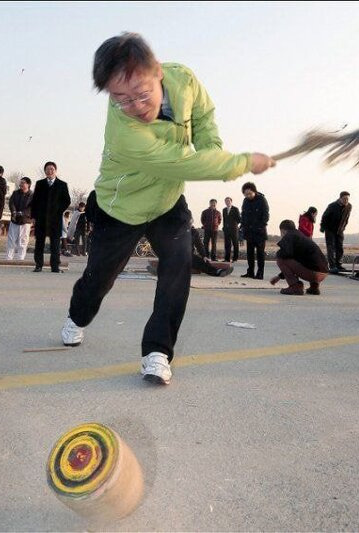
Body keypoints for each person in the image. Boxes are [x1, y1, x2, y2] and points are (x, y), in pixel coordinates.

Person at [60, 32, 276, 385]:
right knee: (99, 278)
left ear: (158, 71)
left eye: (142, 93)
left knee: (178, 266)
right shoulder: (125, 133)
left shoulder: (184, 79)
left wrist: (214, 149)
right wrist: (240, 163)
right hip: (122, 208)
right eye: (121, 99)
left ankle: (157, 352)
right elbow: (182, 163)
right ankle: (77, 316)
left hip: (167, 202)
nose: (135, 106)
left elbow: (204, 117)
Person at [30, 161, 71, 272]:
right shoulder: (40, 184)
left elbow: (67, 200)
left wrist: (58, 210)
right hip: (41, 218)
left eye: (52, 169)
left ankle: (55, 266)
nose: (50, 171)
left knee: (55, 244)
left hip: (55, 218)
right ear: (45, 171)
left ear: (55, 171)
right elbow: (34, 201)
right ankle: (38, 265)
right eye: (47, 169)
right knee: (39, 243)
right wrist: (33, 216)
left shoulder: (62, 185)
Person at [269, 219, 329, 295]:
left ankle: (295, 287)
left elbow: (286, 256)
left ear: (282, 231)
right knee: (307, 259)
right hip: (323, 273)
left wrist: (279, 252)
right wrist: (279, 277)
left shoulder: (289, 236)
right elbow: (297, 262)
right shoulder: (301, 236)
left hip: (312, 273)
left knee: (280, 258)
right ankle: (314, 287)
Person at [240, 182, 270, 279]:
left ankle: (260, 273)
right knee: (250, 253)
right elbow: (243, 215)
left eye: (250, 193)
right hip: (249, 232)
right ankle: (250, 272)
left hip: (259, 232)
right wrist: (242, 225)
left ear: (254, 191)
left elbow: (266, 215)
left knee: (260, 254)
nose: (248, 196)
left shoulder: (262, 200)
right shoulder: (245, 201)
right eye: (246, 194)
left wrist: (261, 226)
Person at [320, 191, 352, 273]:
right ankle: (332, 265)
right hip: (330, 229)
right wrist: (323, 227)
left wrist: (343, 227)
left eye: (347, 199)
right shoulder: (332, 206)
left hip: (340, 230)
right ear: (340, 198)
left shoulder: (349, 206)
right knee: (331, 247)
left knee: (339, 247)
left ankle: (338, 264)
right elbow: (325, 216)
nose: (346, 201)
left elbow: (346, 218)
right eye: (344, 199)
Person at [5, 177, 33, 261]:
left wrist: (23, 213)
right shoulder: (15, 193)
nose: (21, 184)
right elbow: (11, 203)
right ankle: (8, 258)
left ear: (28, 184)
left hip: (25, 221)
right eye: (20, 183)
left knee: (23, 241)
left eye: (23, 183)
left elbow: (32, 207)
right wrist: (14, 211)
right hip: (15, 220)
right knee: (11, 240)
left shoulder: (32, 195)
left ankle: (20, 259)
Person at [222, 197, 241, 263]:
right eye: (226, 201)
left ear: (231, 202)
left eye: (228, 201)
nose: (227, 202)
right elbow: (224, 220)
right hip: (226, 230)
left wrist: (234, 225)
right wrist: (224, 227)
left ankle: (235, 258)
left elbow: (239, 219)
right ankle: (227, 259)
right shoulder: (224, 210)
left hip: (234, 229)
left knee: (235, 244)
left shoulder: (235, 209)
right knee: (227, 244)